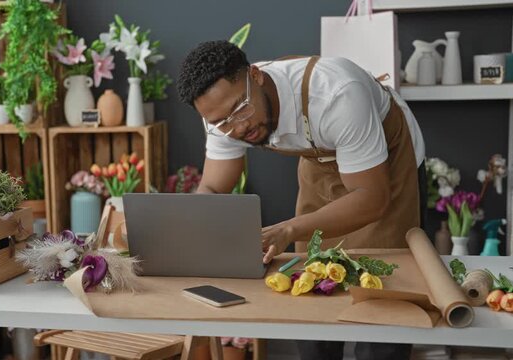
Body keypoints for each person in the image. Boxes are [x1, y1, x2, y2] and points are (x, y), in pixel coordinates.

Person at [176, 40, 427, 360]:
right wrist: (189, 227)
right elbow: (212, 186)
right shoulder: (220, 112)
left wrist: (288, 230)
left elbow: (372, 199)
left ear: (256, 76)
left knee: (384, 308)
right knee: (312, 302)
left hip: (384, 168)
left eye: (241, 110)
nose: (238, 126)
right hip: (321, 164)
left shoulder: (337, 93)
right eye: (222, 122)